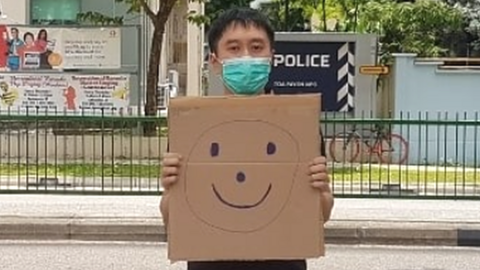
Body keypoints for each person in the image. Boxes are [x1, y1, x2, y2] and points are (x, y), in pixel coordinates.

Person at [160, 7, 334, 270]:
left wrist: (321, 190)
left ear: (271, 57)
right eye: (233, 48)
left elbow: (322, 214)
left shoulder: (299, 126)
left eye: (256, 47)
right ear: (215, 61)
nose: (246, 57)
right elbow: (171, 217)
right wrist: (170, 186)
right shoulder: (193, 127)